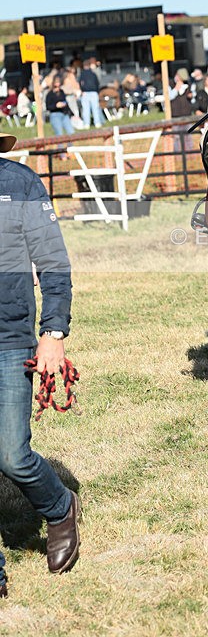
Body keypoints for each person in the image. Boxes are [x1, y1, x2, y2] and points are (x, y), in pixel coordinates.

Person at [0, 130, 80, 595]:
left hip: (10, 338)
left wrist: (53, 333)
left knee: (11, 455)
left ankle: (58, 506)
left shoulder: (22, 184)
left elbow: (53, 262)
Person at [79, 59, 103, 128]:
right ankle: (97, 123)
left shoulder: (82, 74)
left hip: (85, 93)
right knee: (95, 109)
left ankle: (86, 124)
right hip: (94, 92)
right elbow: (97, 83)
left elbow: (80, 83)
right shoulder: (93, 74)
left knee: (86, 109)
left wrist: (81, 90)